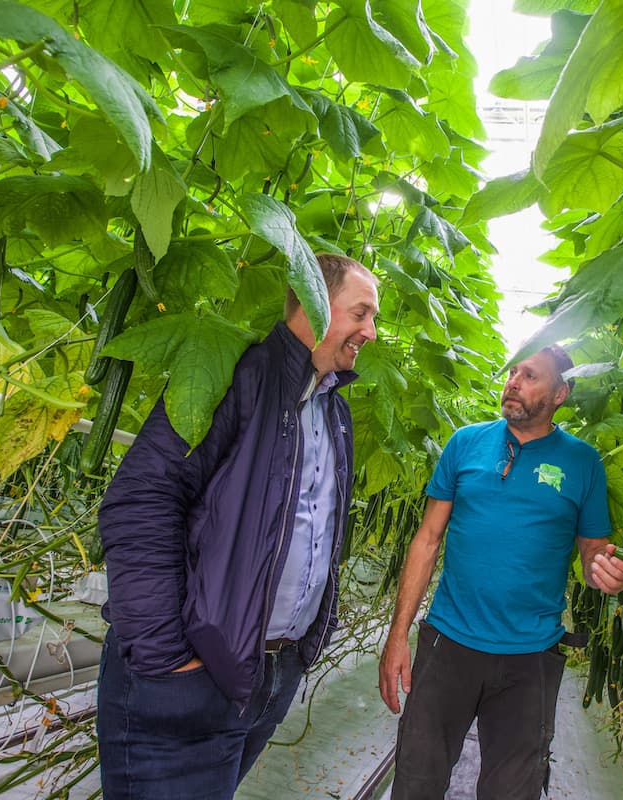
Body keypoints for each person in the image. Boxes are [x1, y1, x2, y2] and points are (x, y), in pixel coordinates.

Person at [95, 254, 379, 800]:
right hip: (189, 675)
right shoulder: (240, 372)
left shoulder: (332, 408)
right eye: (361, 313)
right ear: (315, 302)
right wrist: (165, 658)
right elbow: (141, 498)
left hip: (267, 675)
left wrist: (300, 650)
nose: (371, 331)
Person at [378, 344, 623, 799]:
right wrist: (398, 635)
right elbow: (426, 539)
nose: (513, 381)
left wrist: (609, 571)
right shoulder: (466, 443)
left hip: (529, 658)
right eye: (512, 371)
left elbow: (592, 553)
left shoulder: (582, 462)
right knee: (415, 782)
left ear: (561, 393)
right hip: (447, 644)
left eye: (530, 375)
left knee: (512, 791)